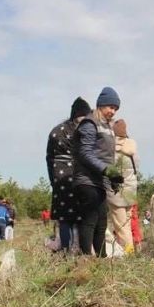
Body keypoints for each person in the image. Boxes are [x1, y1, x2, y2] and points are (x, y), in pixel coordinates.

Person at [73, 87, 123, 256]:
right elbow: (85, 153)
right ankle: (86, 259)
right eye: (110, 107)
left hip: (99, 181)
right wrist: (107, 170)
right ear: (101, 104)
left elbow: (105, 156)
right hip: (86, 180)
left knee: (101, 223)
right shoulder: (90, 123)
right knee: (90, 221)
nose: (113, 111)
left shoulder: (106, 126)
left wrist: (113, 178)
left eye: (115, 109)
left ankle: (101, 260)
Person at [47, 97, 91, 251]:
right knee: (72, 217)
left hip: (62, 177)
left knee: (68, 217)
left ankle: (68, 249)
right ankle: (74, 249)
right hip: (75, 177)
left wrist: (53, 180)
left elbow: (49, 159)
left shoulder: (55, 131)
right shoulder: (86, 130)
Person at [106, 119, 139, 254]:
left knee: (121, 227)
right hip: (131, 190)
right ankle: (129, 251)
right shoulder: (133, 148)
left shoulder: (113, 149)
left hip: (117, 192)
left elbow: (108, 171)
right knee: (126, 223)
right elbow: (136, 168)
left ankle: (128, 254)